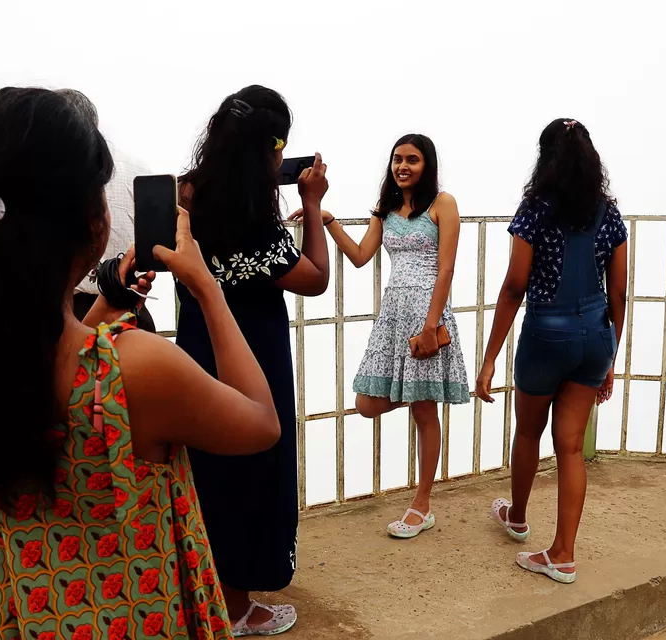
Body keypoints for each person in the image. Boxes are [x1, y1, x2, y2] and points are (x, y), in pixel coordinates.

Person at [0, 87, 284, 640]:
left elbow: (36, 377)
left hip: (13, 614)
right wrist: (207, 288)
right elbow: (260, 424)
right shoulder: (136, 368)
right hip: (136, 618)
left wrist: (109, 305)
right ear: (90, 219)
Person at [177, 85, 330, 636]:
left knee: (206, 468)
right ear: (269, 149)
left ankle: (206, 589)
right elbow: (314, 277)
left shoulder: (185, 195)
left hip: (196, 349)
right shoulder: (252, 218)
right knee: (251, 464)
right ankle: (237, 606)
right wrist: (311, 205)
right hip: (254, 354)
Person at [292, 133, 470, 539]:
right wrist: (327, 220)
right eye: (397, 159)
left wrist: (430, 324)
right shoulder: (386, 209)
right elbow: (359, 257)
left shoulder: (443, 203)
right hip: (392, 316)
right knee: (366, 404)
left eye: (412, 159)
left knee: (425, 412)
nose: (402, 166)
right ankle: (416, 397)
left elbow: (445, 269)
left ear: (427, 165)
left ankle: (421, 504)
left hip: (427, 313)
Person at [477, 118, 628, 584]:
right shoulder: (609, 212)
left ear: (545, 158)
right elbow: (619, 291)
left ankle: (517, 517)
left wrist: (489, 358)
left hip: (546, 334)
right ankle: (563, 553)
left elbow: (514, 285)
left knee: (528, 432)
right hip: (595, 335)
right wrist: (611, 355)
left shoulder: (534, 210)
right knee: (570, 447)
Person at [57, 88, 157, 332]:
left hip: (71, 315)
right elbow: (155, 248)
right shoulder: (137, 169)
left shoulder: (48, 173)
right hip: (132, 310)